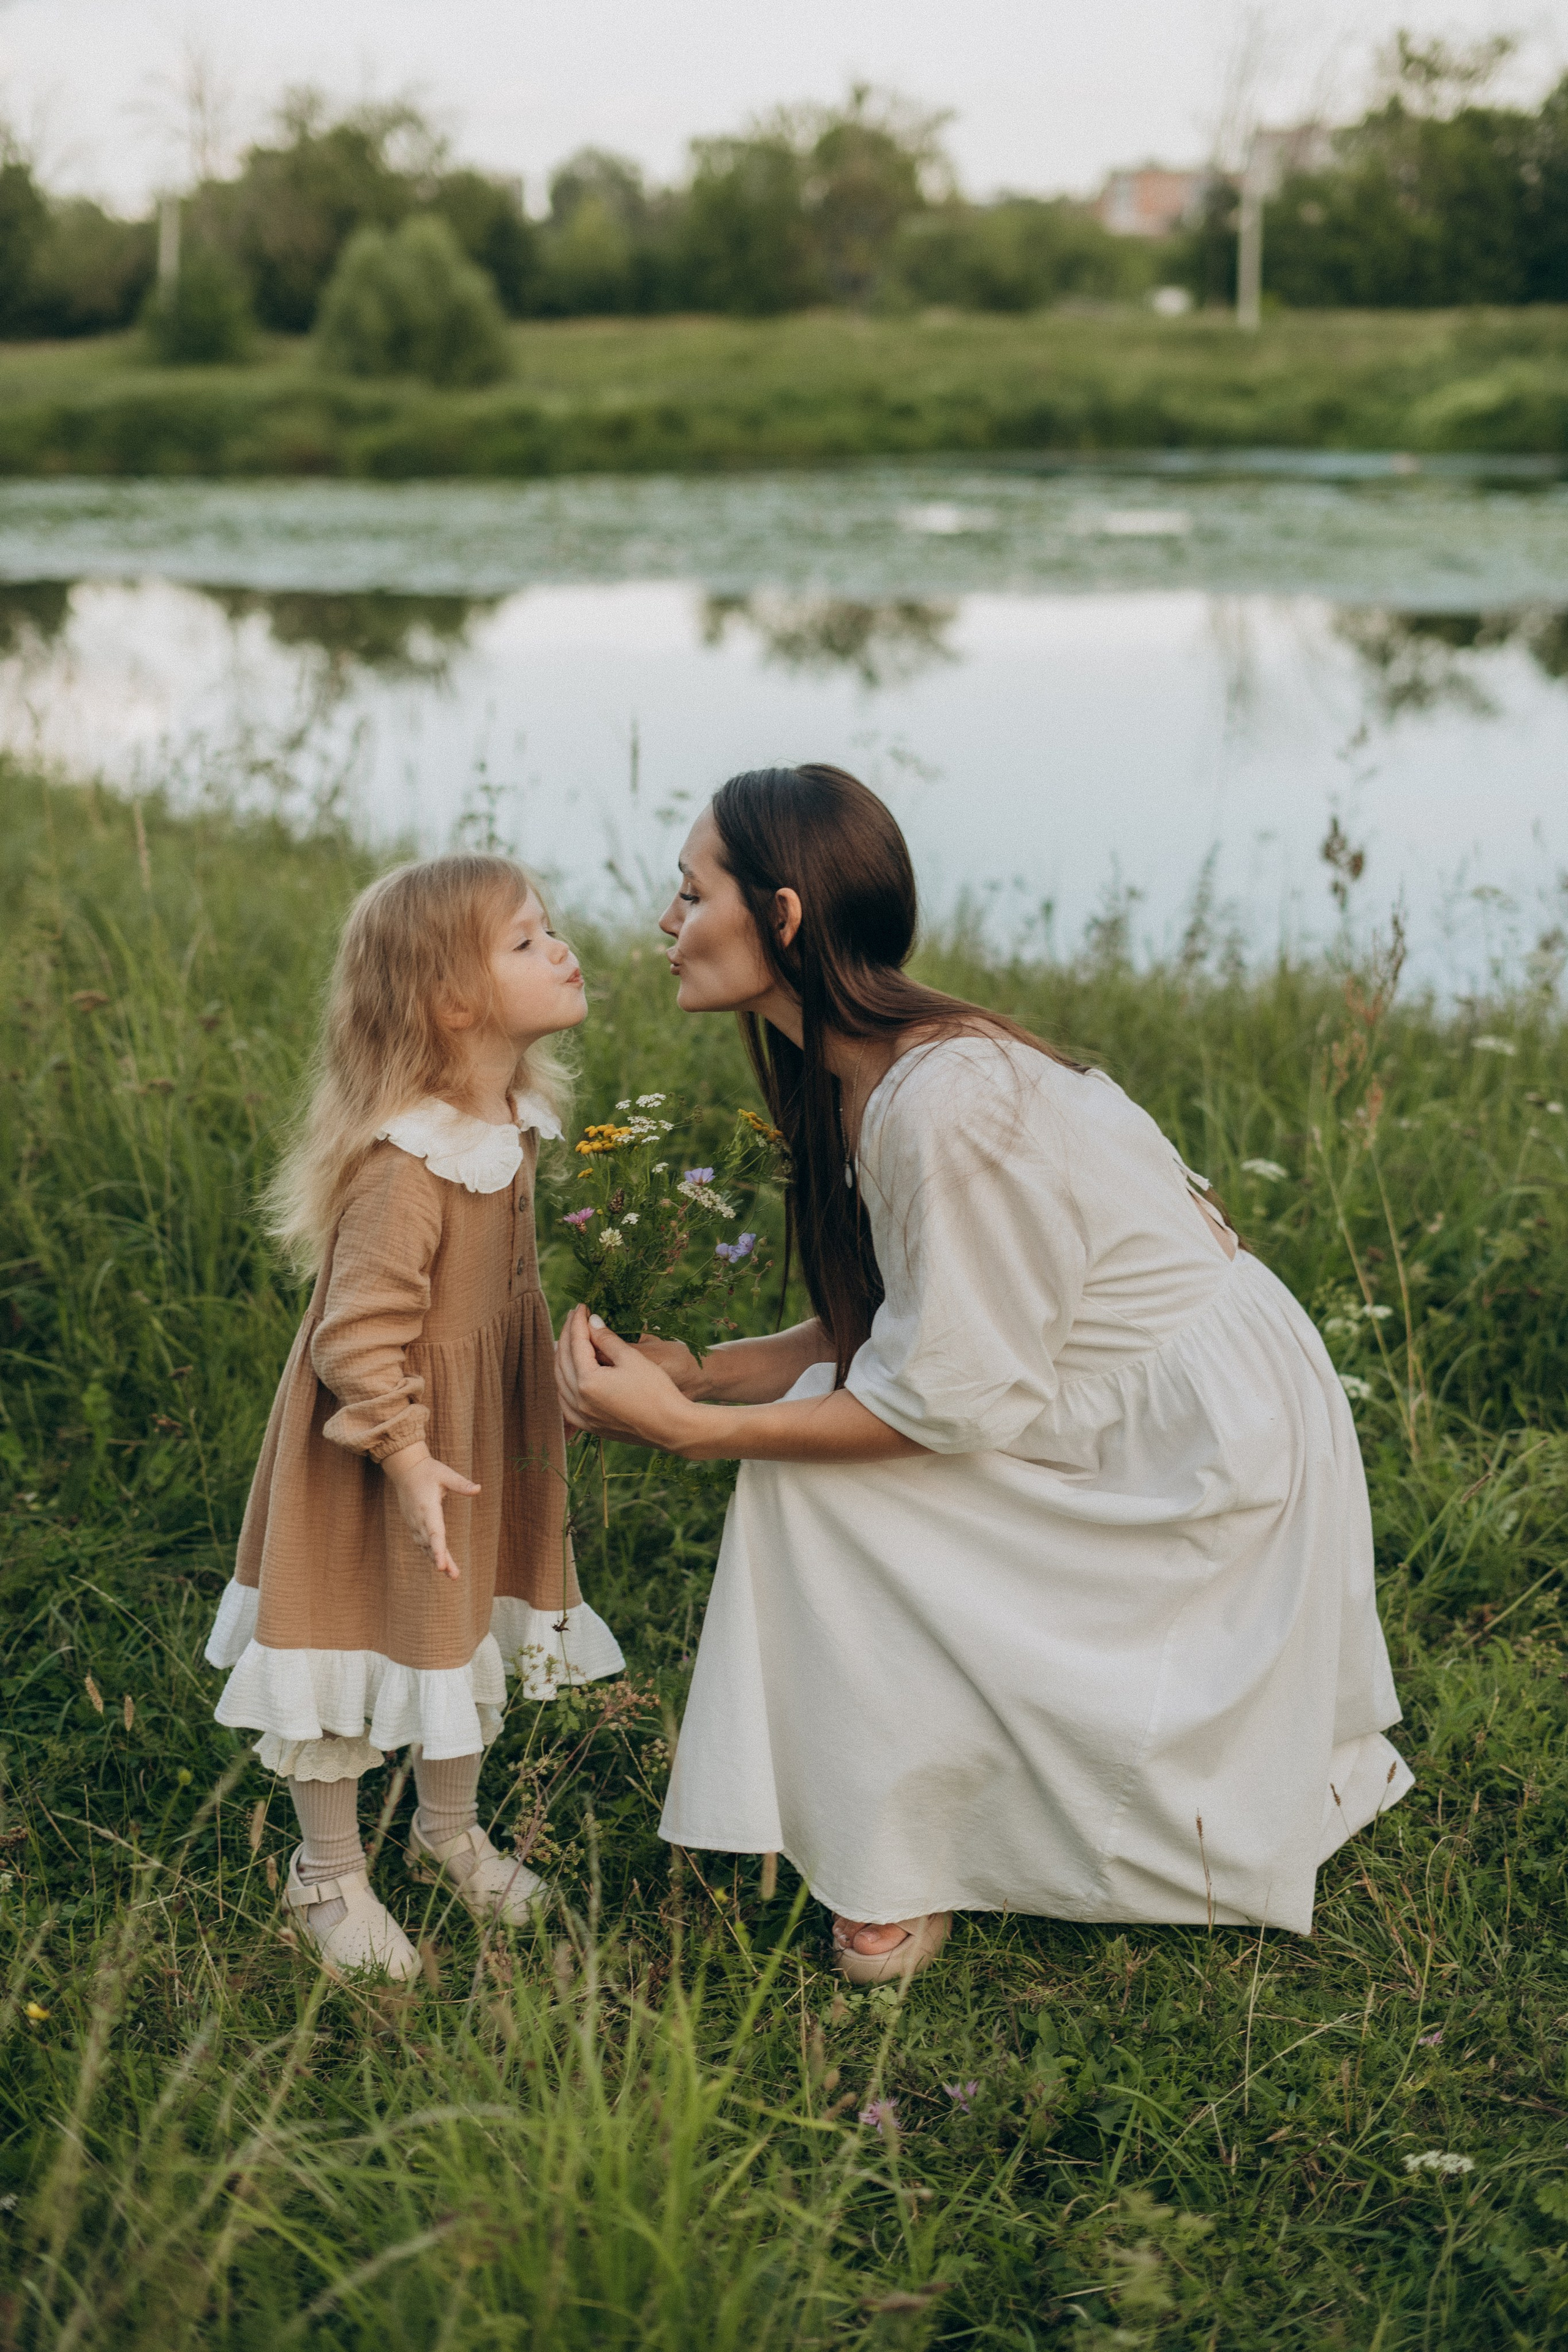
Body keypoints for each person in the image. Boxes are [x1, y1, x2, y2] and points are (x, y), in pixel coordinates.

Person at [556, 764, 1412, 1985]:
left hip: (1202, 1444)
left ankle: (900, 1852)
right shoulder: (868, 1073)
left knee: (812, 1482)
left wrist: (694, 1434)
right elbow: (902, 1328)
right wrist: (693, 1373)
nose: (665, 921)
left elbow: (942, 1397)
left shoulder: (945, 1102)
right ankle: (916, 1813)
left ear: (783, 919)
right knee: (807, 1439)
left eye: (690, 892)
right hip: (1120, 1391)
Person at [206, 855, 623, 1978]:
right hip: (378, 1449)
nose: (563, 950)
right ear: (455, 1002)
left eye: (551, 930)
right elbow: (354, 1339)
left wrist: (547, 1378)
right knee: (345, 1639)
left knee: (463, 1629)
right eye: (529, 941)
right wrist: (405, 1453)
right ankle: (327, 1871)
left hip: (472, 1443)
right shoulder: (409, 1162)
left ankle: (449, 1831)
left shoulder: (512, 1125)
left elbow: (496, 1298)